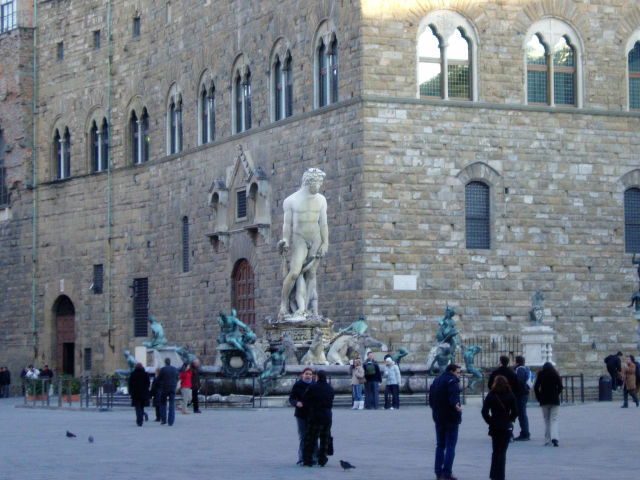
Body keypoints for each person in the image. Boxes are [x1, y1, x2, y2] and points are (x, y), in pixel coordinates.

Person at [278, 168, 328, 317]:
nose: (319, 186)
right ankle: (284, 304)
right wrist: (285, 240)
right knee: (294, 272)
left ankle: (304, 309)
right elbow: (287, 225)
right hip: (299, 238)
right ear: (308, 182)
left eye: (320, 183)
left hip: (316, 238)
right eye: (317, 183)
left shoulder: (321, 199)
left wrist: (326, 242)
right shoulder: (291, 200)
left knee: (312, 273)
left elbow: (323, 224)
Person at [429, 363, 462, 480]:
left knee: (440, 445)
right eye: (458, 372)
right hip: (451, 418)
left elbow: (431, 399)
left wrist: (436, 410)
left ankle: (438, 471)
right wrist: (457, 407)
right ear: (452, 371)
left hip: (438, 417)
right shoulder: (452, 382)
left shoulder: (437, 380)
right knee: (450, 446)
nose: (459, 375)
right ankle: (447, 473)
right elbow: (453, 399)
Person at [481, 375, 518, 480]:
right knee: (502, 452)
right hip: (505, 426)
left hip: (494, 425)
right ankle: (500, 475)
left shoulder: (491, 395)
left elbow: (484, 411)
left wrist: (489, 421)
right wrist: (510, 419)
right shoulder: (510, 395)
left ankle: (493, 474)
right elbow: (515, 411)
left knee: (495, 451)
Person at [302, 370, 334, 467]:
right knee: (324, 439)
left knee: (311, 439)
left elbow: (305, 399)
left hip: (315, 415)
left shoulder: (313, 387)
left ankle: (308, 459)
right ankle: (322, 459)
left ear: (317, 377)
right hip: (327, 416)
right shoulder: (330, 388)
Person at [289, 367, 315, 465]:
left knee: (313, 436)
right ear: (303, 375)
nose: (308, 376)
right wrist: (296, 403)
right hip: (301, 414)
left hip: (312, 414)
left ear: (312, 376)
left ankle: (314, 457)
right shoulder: (298, 384)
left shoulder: (314, 385)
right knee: (303, 436)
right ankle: (301, 458)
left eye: (310, 374)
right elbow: (291, 398)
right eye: (306, 374)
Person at [533, 362, 563, 447]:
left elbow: (536, 388)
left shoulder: (541, 375)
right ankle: (555, 437)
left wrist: (539, 397)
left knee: (546, 420)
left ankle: (547, 439)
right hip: (554, 400)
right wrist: (556, 393)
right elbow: (560, 386)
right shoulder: (555, 374)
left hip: (544, 400)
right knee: (554, 419)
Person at [156, 358, 179, 426]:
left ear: (165, 362)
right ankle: (171, 421)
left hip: (165, 388)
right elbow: (177, 377)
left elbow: (159, 378)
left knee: (163, 403)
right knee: (172, 404)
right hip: (172, 387)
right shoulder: (175, 369)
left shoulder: (163, 369)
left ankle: (163, 419)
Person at [513, 355, 531, 440]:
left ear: (517, 362)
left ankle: (525, 433)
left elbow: (519, 382)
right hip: (524, 393)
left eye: (514, 361)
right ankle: (525, 432)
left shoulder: (519, 369)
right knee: (522, 414)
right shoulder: (524, 368)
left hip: (520, 394)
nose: (513, 363)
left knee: (521, 414)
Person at [128, 363, 150, 427]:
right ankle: (141, 418)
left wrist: (130, 392)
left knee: (137, 408)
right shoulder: (145, 374)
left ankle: (139, 420)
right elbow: (148, 384)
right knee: (142, 407)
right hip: (143, 393)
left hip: (135, 393)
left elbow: (130, 384)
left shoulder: (133, 374)